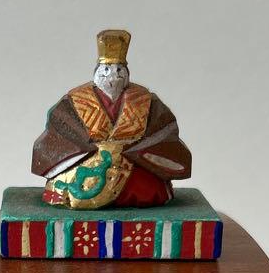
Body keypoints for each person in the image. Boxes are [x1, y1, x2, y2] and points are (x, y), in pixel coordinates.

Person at [32, 30, 191, 208]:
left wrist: (135, 149)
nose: (112, 76)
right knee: (69, 188)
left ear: (127, 73)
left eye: (119, 70)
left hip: (132, 164)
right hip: (84, 163)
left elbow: (164, 131)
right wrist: (88, 147)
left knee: (148, 189)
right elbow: (60, 129)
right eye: (106, 69)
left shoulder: (145, 99)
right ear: (97, 72)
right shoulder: (75, 99)